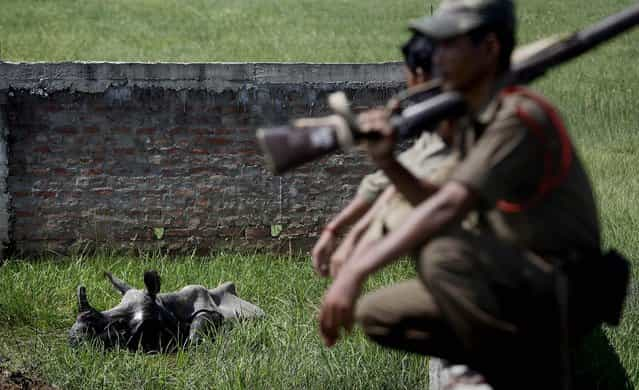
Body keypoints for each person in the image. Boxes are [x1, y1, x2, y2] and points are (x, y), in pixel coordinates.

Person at [318, 0, 603, 388]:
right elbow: (430, 199)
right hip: (512, 280)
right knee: (377, 314)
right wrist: (388, 162)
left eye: (449, 44)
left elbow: (447, 206)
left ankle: (533, 373)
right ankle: (496, 362)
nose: (437, 56)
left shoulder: (517, 118)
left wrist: (356, 269)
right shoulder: (475, 120)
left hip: (562, 288)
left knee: (442, 254)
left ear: (489, 49)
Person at [312, 34, 455, 278]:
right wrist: (336, 230)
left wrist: (358, 263)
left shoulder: (460, 134)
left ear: (420, 76)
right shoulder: (435, 133)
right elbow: (385, 185)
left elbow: (417, 198)